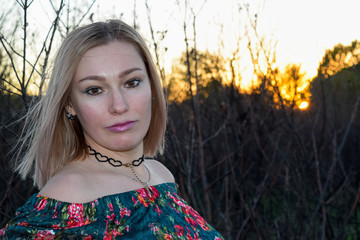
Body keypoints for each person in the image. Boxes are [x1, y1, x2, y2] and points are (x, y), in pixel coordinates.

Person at [0, 19, 224, 239]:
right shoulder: (70, 195)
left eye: (132, 83)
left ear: (152, 87)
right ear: (70, 104)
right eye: (95, 90)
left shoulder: (160, 174)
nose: (119, 106)